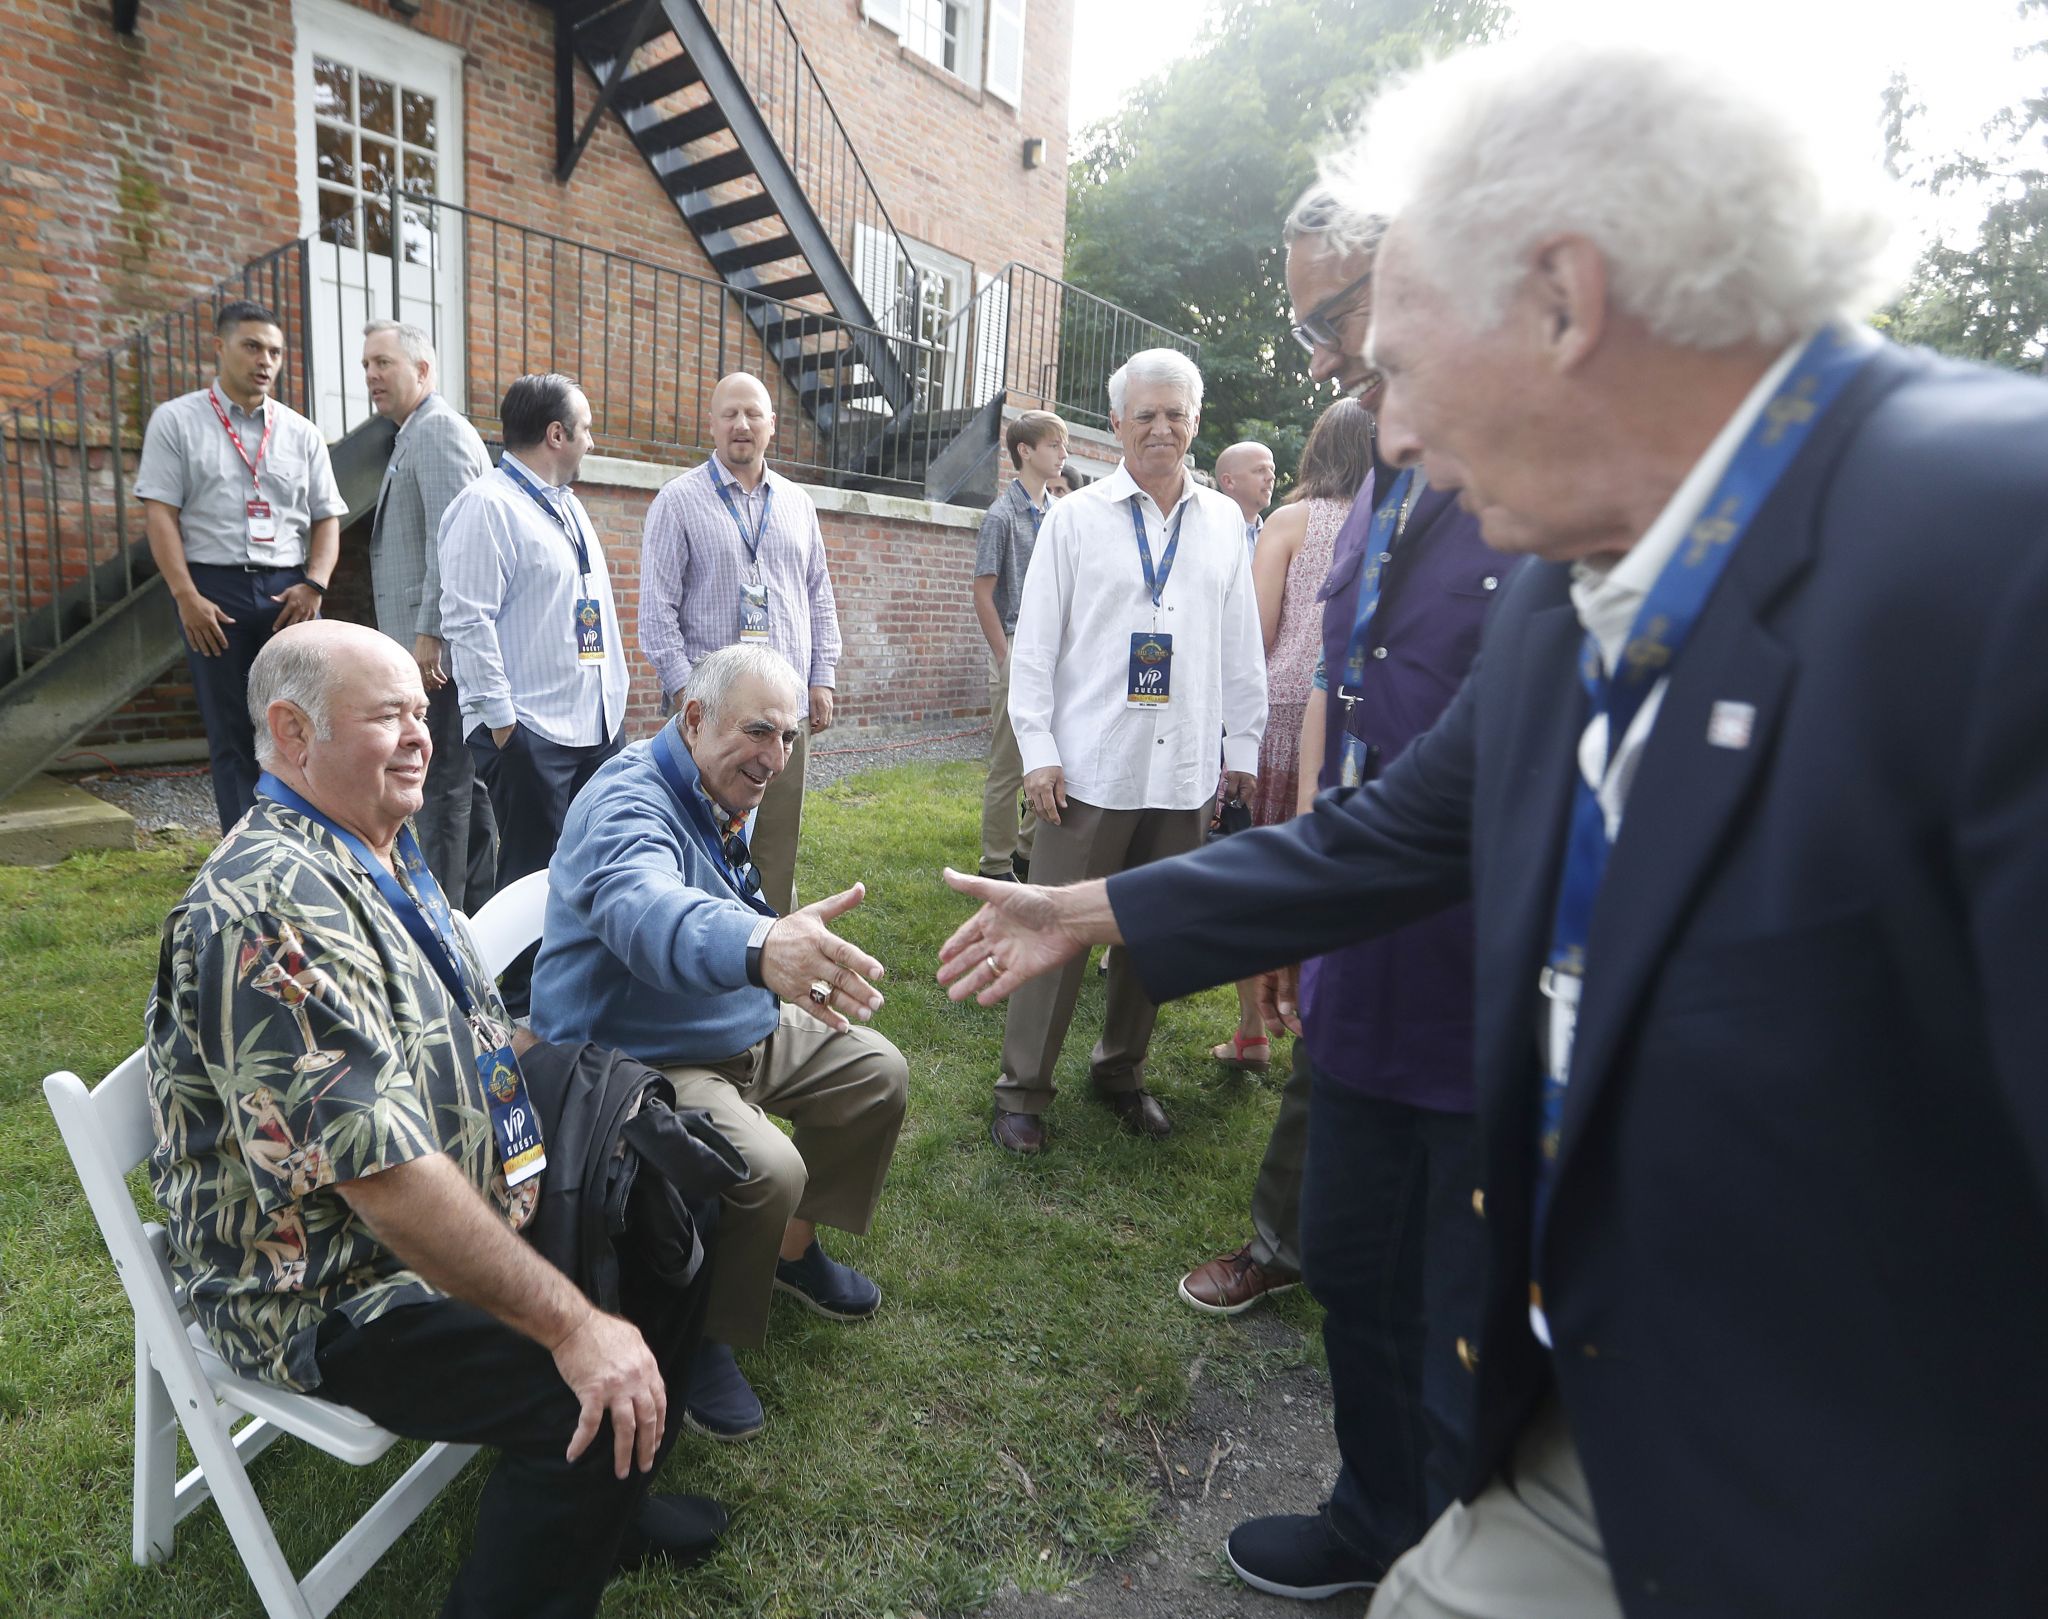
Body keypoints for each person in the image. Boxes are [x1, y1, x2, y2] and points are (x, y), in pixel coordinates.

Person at [941, 38, 2048, 1619]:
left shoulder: (2001, 557)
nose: (1384, 433)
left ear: (1562, 299)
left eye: (1396, 360)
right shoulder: (1565, 596)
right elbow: (1387, 835)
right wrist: (1092, 913)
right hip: (1597, 1417)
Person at [145, 621, 726, 1619]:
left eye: (423, 710)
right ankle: (561, 1514)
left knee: (655, 1186)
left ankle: (606, 1499)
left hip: (461, 1185)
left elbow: (455, 1021)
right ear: (292, 731)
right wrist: (571, 1321)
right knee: (564, 1377)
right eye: (389, 715)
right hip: (328, 1285)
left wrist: (577, 1119)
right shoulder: (264, 909)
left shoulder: (374, 838)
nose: (422, 735)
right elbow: (384, 1187)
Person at [1179, 182, 1509, 1604]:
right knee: (1358, 1275)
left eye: (1333, 314)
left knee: (1466, 1317)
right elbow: (1346, 689)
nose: (1319, 356)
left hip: (1483, 983)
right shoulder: (1381, 470)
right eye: (1304, 320)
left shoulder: (1526, 474)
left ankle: (1463, 1548)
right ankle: (1373, 1513)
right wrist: (1304, 870)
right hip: (1364, 952)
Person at [531, 643, 907, 1441]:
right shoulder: (626, 800)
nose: (775, 758)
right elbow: (647, 909)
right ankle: (699, 1335)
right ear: (693, 718)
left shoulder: (715, 779)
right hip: (637, 1054)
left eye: (790, 738)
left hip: (724, 1018)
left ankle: (789, 1253)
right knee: (767, 1166)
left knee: (877, 1071)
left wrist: (765, 960)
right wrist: (762, 948)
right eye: (759, 732)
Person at [990, 348, 1266, 1155]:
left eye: (1175, 413)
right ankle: (1022, 1089)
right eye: (1144, 413)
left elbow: (1240, 643)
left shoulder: (1223, 522)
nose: (1161, 427)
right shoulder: (1075, 520)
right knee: (1054, 930)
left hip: (1181, 770)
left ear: (1196, 423)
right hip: (1087, 769)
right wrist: (1037, 750)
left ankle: (1120, 1068)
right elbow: (1033, 647)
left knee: (1154, 934)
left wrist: (1240, 741)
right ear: (1113, 425)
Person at [439, 372, 628, 1014]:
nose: (592, 440)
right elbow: (467, 619)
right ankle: (521, 1005)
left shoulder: (566, 503)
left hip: (593, 721)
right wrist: (500, 723)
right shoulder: (485, 505)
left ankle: (584, 979)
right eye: (587, 427)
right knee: (529, 873)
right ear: (556, 434)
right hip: (531, 729)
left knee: (594, 856)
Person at [1205, 398, 1375, 1076]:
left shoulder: (1289, 521)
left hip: (1276, 714)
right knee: (1323, 871)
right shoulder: (1390, 523)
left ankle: (1252, 1029)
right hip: (1353, 714)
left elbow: (1257, 633)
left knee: (1258, 874)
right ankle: (1313, 1017)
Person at [135, 300, 347, 832]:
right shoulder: (177, 421)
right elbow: (160, 514)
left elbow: (326, 519)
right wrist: (185, 595)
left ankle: (306, 843)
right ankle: (242, 854)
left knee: (304, 722)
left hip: (290, 594)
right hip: (213, 593)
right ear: (219, 348)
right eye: (252, 346)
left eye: (274, 351)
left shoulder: (300, 432)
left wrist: (314, 584)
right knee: (231, 729)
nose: (265, 360)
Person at [638, 372, 842, 915]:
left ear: (772, 425)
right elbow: (656, 613)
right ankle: (710, 956)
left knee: (775, 845)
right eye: (729, 413)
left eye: (753, 413)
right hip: (716, 722)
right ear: (711, 423)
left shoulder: (798, 504)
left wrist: (822, 677)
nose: (741, 424)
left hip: (784, 717)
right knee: (705, 848)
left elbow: (819, 594)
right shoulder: (678, 502)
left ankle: (772, 958)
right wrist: (690, 699)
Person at [362, 318, 496, 909]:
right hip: (424, 650)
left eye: (383, 363)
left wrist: (428, 635)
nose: (371, 375)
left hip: (436, 654)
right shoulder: (411, 434)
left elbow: (455, 542)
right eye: (367, 364)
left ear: (422, 370)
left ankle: (448, 919)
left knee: (442, 787)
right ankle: (486, 902)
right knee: (464, 784)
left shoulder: (439, 432)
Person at [972, 410, 1069, 883]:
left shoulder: (1059, 513)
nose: (1062, 454)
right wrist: (1004, 656)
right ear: (1025, 452)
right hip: (1015, 644)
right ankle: (994, 864)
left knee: (1052, 750)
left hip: (1055, 648)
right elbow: (983, 592)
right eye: (1054, 445)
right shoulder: (1001, 515)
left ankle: (1027, 851)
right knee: (1009, 764)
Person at [1215, 440, 1277, 557]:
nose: (1271, 477)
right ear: (1229, 481)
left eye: (1272, 470)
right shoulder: (1209, 535)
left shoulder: (1278, 539)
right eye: (1260, 470)